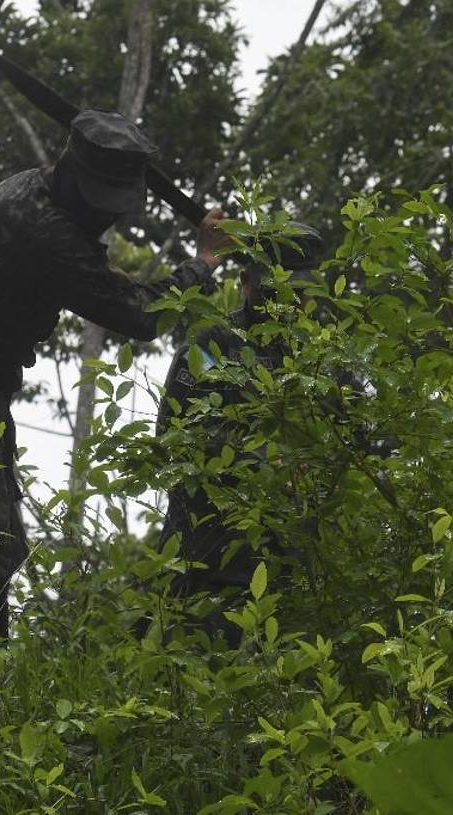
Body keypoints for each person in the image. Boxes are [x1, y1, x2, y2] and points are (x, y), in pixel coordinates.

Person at [0, 108, 232, 666]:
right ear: (72, 178)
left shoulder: (41, 199)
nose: (103, 217)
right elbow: (141, 316)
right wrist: (203, 263)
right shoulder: (42, 228)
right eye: (97, 200)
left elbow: (101, 280)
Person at [151, 229, 322, 648]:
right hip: (209, 560)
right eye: (273, 290)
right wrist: (263, 456)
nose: (286, 303)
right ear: (246, 283)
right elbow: (173, 436)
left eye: (294, 292)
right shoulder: (214, 344)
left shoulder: (319, 356)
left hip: (292, 565)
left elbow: (363, 433)